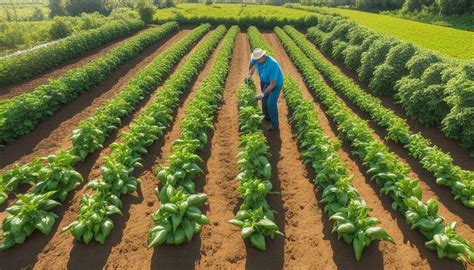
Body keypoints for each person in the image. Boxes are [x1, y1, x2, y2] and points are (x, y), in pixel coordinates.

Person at [245, 48, 284, 131]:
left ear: (264, 56)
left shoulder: (272, 64)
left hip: (276, 84)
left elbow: (272, 84)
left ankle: (275, 124)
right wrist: (249, 75)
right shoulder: (256, 59)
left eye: (258, 59)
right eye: (256, 59)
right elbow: (252, 66)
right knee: (264, 100)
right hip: (266, 80)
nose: (257, 61)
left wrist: (262, 94)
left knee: (271, 103)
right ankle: (267, 117)